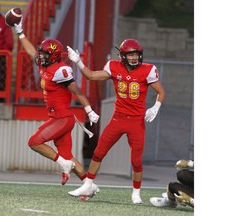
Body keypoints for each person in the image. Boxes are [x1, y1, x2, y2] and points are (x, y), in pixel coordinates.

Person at [66, 38, 166, 203]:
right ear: (122, 56)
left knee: (136, 160)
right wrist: (78, 62)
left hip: (136, 121)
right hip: (118, 118)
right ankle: (88, 184)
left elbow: (161, 91)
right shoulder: (114, 66)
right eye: (131, 55)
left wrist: (155, 107)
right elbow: (90, 75)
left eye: (136, 54)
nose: (134, 58)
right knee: (99, 152)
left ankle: (136, 193)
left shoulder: (148, 70)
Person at [11, 18, 100, 187]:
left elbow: (77, 90)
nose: (41, 56)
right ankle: (89, 186)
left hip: (62, 118)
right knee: (68, 156)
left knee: (34, 142)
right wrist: (20, 32)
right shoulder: (45, 66)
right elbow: (31, 53)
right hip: (58, 117)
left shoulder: (61, 70)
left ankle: (64, 164)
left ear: (53, 56)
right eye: (42, 53)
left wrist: (88, 110)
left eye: (45, 54)